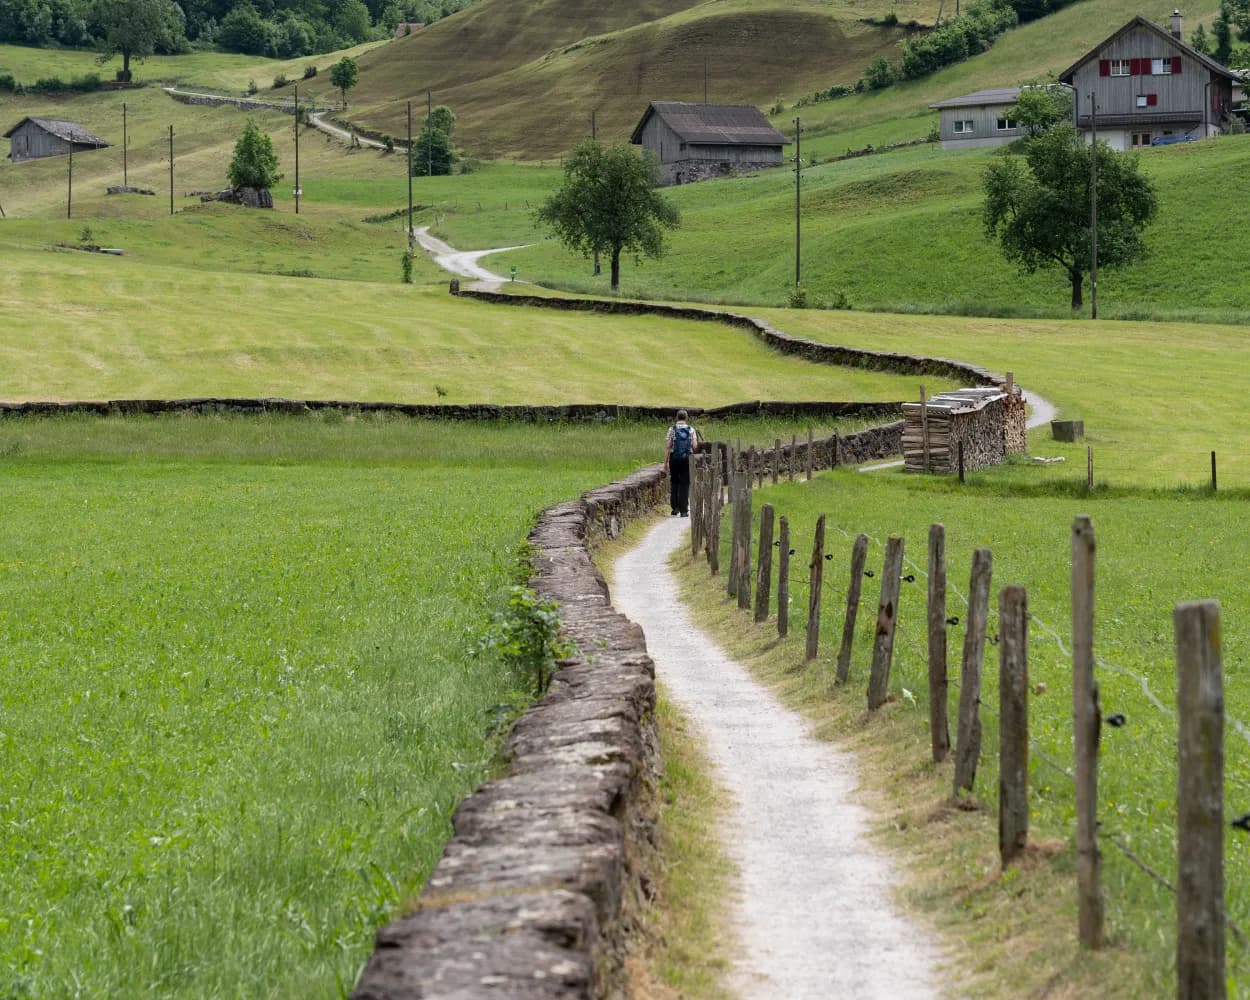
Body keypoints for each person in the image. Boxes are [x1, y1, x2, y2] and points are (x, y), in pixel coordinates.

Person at [664, 410, 699, 517]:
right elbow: (694, 446)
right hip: (686, 459)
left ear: (677, 418)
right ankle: (684, 510)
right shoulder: (691, 429)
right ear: (686, 418)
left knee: (674, 481)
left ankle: (675, 508)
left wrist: (665, 462)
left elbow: (668, 446)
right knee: (684, 483)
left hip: (674, 458)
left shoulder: (672, 429)